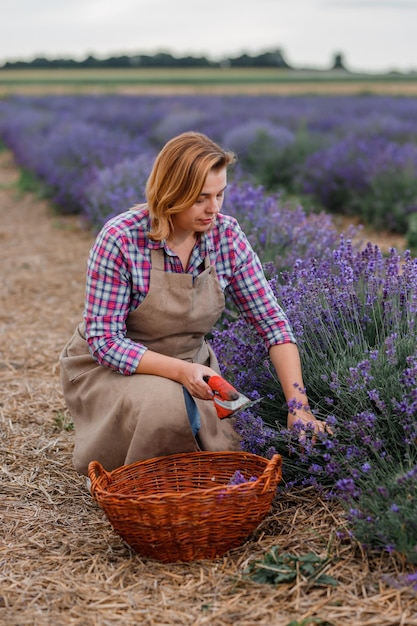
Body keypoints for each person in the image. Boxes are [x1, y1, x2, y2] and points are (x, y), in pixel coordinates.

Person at [60, 131, 324, 476]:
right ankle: (145, 485)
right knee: (167, 408)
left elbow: (273, 325)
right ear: (171, 192)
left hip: (193, 367)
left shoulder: (226, 236)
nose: (214, 208)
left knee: (241, 443)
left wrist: (298, 406)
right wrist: (182, 372)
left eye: (221, 194)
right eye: (200, 198)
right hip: (113, 369)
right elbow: (105, 342)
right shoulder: (121, 238)